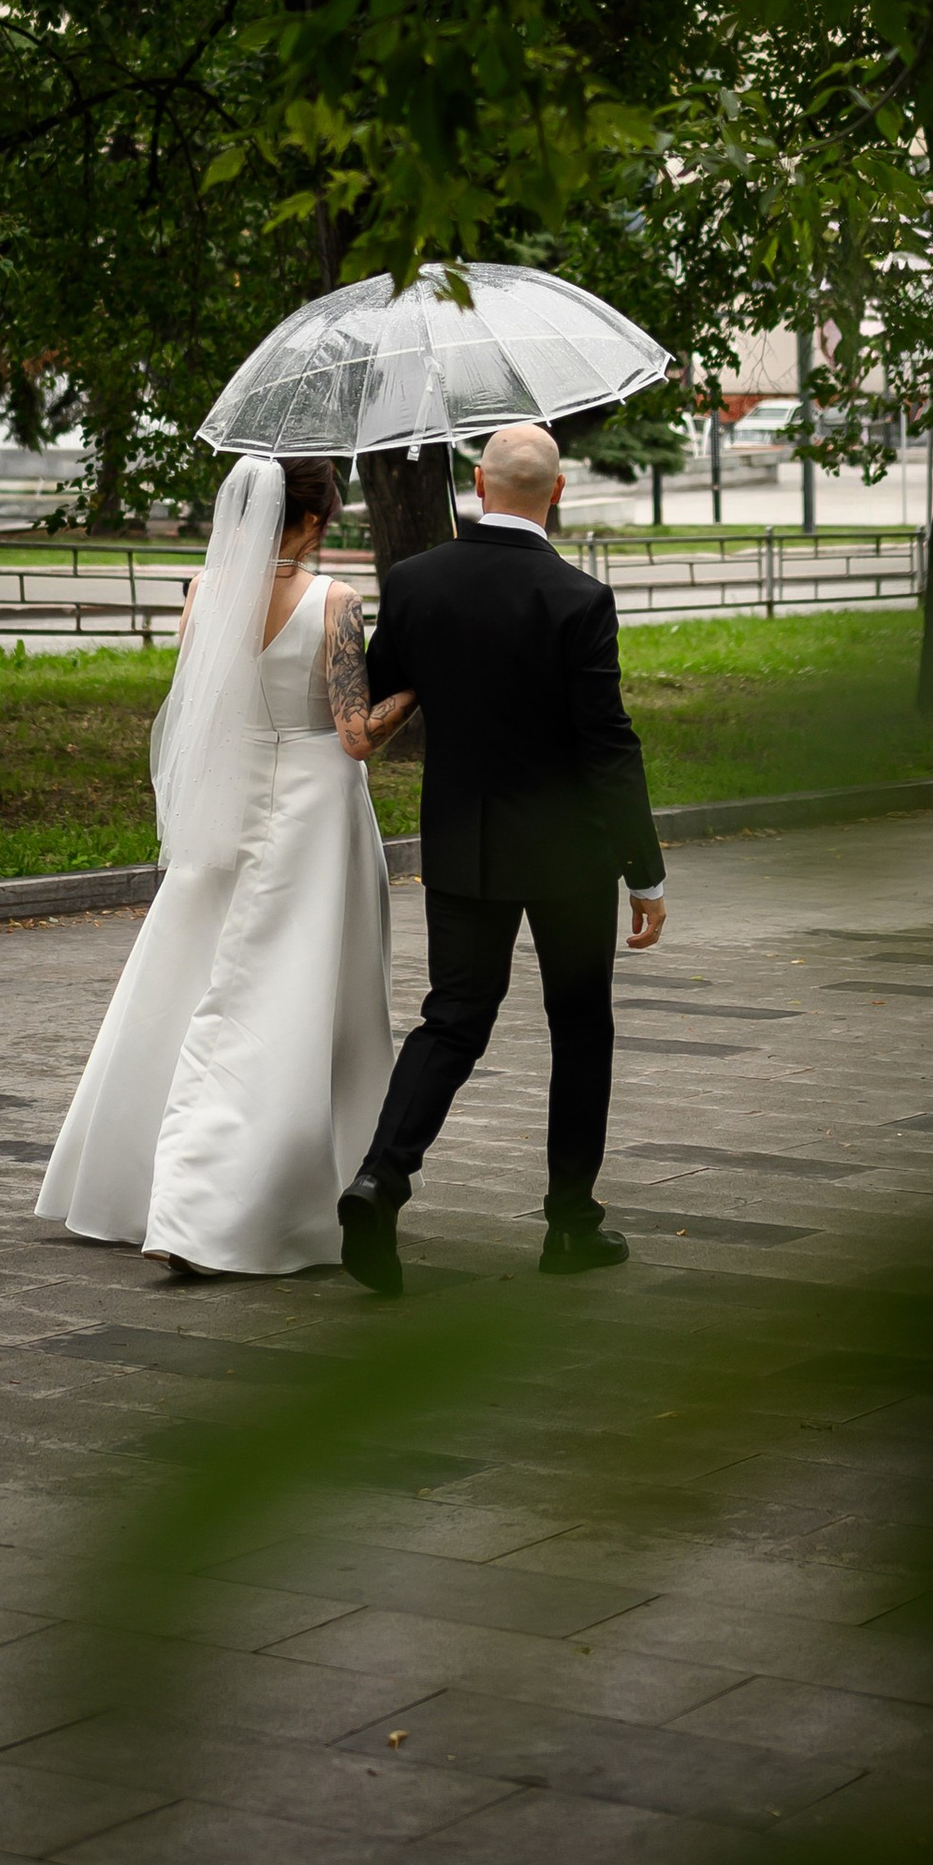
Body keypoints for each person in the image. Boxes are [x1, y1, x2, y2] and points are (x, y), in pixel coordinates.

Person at [35, 454, 415, 1279]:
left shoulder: (205, 591)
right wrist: (417, 685)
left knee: (190, 981)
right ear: (311, 519)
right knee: (294, 996)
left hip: (228, 799)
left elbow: (203, 701)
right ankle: (219, 1206)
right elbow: (356, 733)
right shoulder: (335, 601)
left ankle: (137, 1181)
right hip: (315, 811)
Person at [337, 418, 666, 1298]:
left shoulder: (415, 582)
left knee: (452, 1016)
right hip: (569, 851)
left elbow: (381, 692)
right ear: (556, 492)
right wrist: (644, 868)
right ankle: (570, 1224)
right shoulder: (579, 598)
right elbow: (607, 741)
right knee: (580, 1024)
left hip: (464, 838)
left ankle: (379, 1179)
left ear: (479, 486)